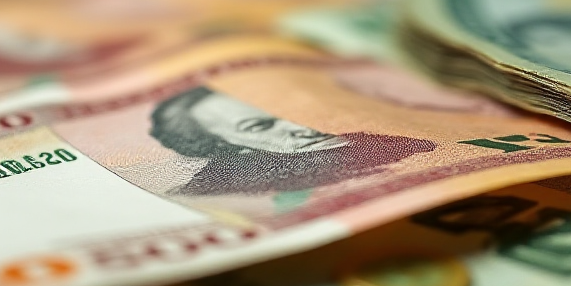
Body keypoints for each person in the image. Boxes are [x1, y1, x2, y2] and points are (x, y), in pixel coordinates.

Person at [149, 86, 436, 195]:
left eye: (289, 112)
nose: (299, 126)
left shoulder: (393, 141)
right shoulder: (221, 192)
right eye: (260, 126)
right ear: (226, 145)